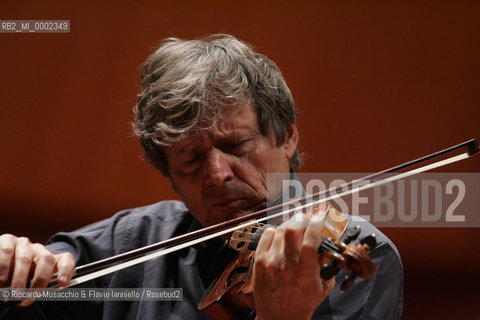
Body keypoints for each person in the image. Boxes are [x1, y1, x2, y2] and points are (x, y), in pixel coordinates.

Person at [0, 34, 403, 319]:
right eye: (190, 158)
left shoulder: (355, 255)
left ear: (287, 136)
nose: (216, 174)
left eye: (235, 145)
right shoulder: (134, 242)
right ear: (170, 176)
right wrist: (11, 269)